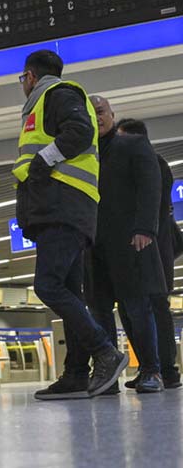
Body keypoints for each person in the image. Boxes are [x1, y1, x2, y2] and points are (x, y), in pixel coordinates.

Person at [12, 50, 126, 400]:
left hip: (62, 207)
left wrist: (42, 164)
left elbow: (79, 129)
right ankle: (76, 373)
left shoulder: (57, 94)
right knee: (70, 290)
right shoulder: (45, 102)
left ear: (30, 76)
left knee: (47, 285)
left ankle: (105, 352)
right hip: (61, 208)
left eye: (22, 79)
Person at [85, 97, 165, 394]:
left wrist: (145, 228)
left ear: (112, 115)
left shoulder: (132, 145)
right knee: (100, 310)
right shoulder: (83, 155)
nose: (96, 119)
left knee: (137, 308)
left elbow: (150, 184)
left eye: (101, 112)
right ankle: (108, 377)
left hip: (129, 241)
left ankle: (151, 371)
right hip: (93, 244)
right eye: (89, 115)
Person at [117, 117, 181, 389]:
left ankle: (165, 370)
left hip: (153, 250)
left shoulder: (152, 163)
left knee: (156, 308)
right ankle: (150, 367)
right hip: (149, 250)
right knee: (136, 309)